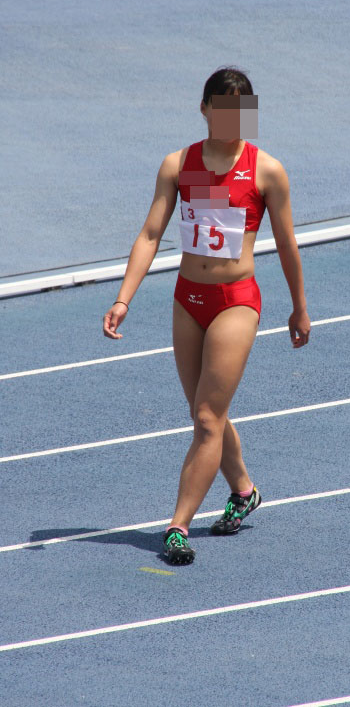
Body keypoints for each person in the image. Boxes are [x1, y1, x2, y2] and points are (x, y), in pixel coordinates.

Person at [103, 66, 311, 565]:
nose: (232, 120)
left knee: (205, 417)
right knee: (207, 412)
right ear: (204, 109)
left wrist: (299, 306)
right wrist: (123, 298)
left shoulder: (267, 171)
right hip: (187, 300)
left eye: (242, 112)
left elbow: (286, 243)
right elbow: (151, 234)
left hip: (235, 301)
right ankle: (243, 489)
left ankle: (177, 526)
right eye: (223, 110)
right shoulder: (178, 164)